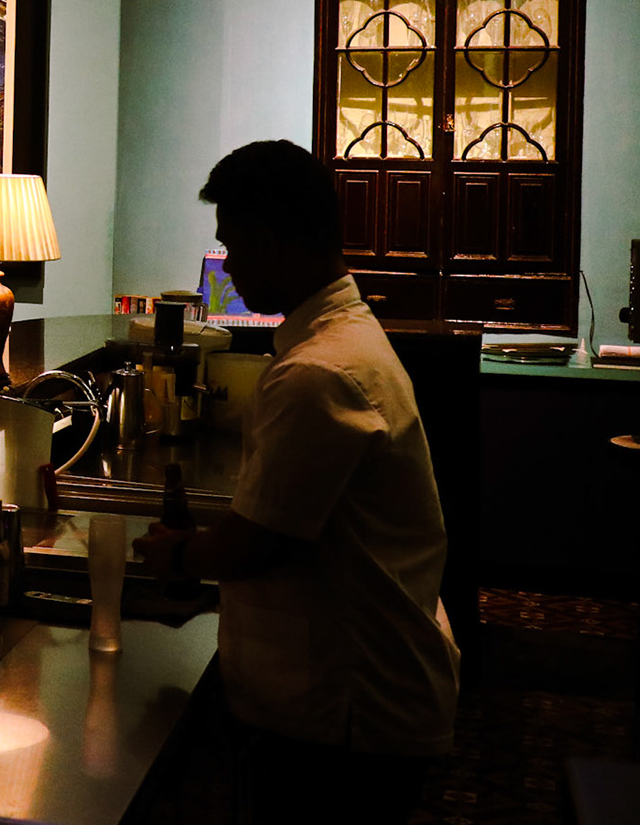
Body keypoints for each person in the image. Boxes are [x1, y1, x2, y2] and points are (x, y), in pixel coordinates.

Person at [133, 140, 459, 823]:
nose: (228, 264)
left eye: (233, 246)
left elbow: (258, 543)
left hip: (345, 708)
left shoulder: (318, 372)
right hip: (360, 688)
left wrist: (178, 555)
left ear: (272, 240)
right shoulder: (343, 337)